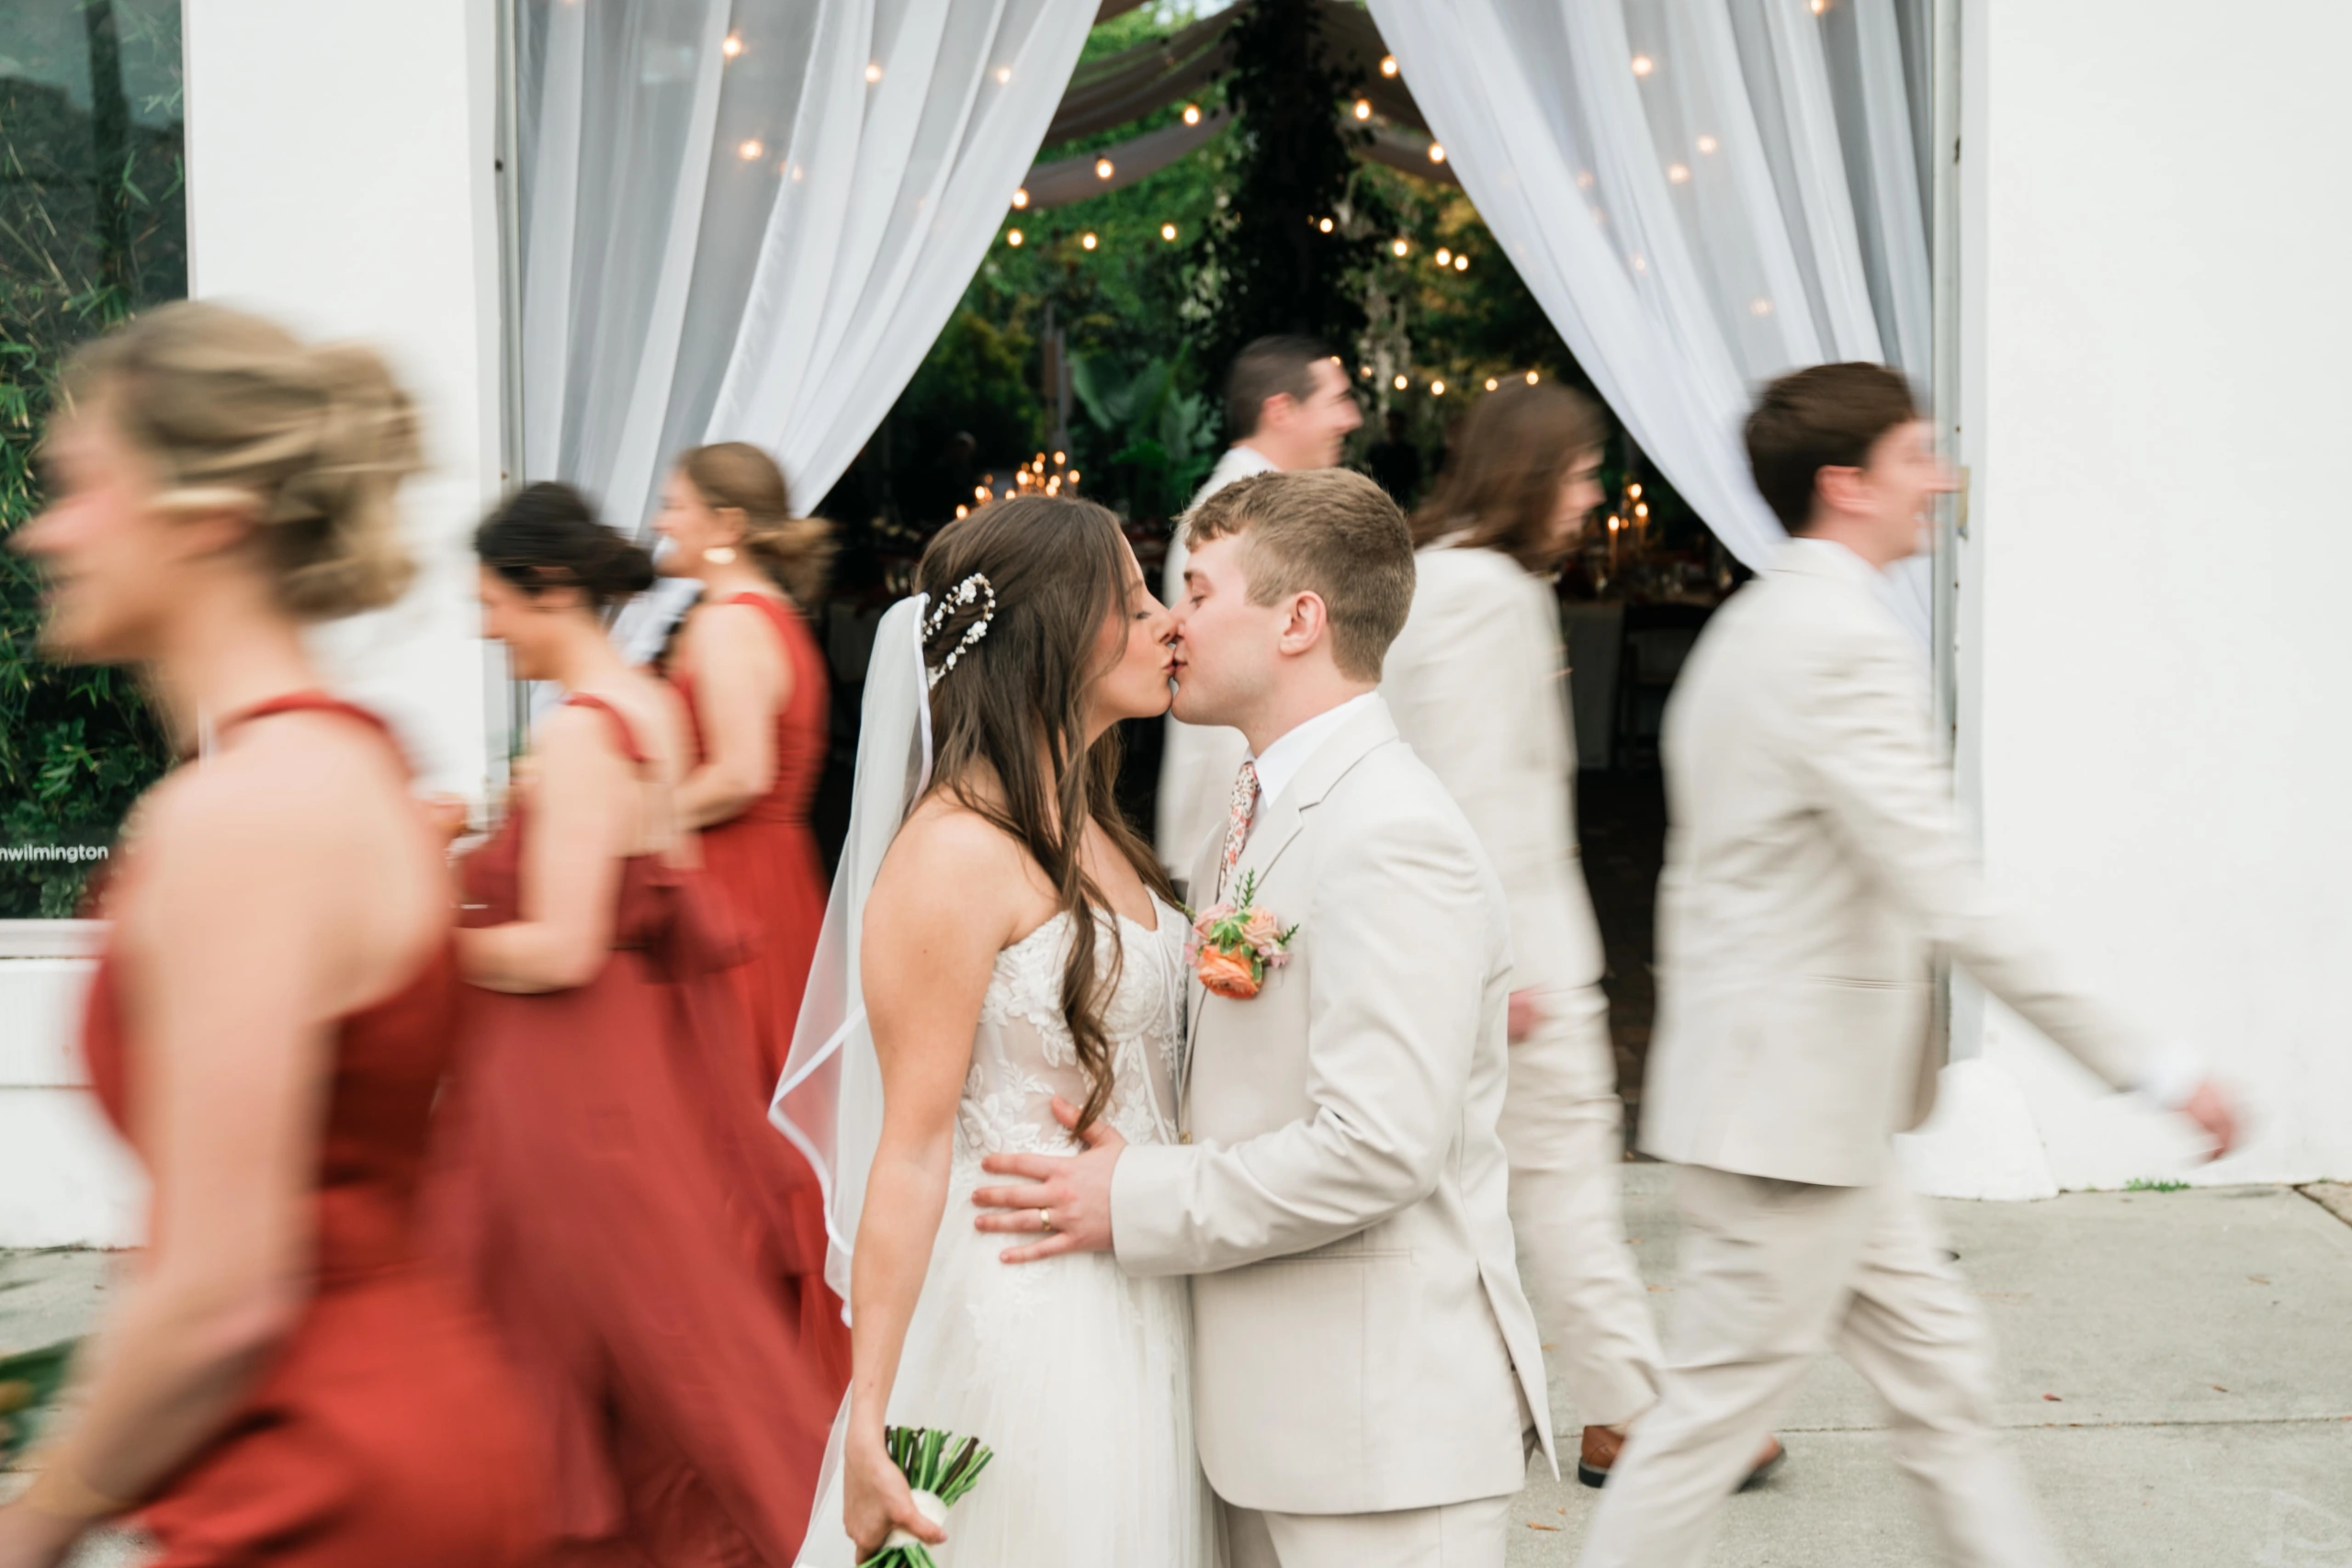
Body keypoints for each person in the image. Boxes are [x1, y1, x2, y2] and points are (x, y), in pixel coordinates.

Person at [1577, 363, 2242, 1568]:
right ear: (1846, 483)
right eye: (1916, 455)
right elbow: (1951, 898)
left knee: (1942, 1378)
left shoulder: (1753, 627)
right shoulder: (1839, 644)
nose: (1940, 477)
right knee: (1703, 1430)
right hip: (1792, 1121)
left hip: (1800, 1106)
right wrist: (2151, 1065)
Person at [0, 301, 546, 1568]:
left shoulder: (239, 814)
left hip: (324, 1474)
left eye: (82, 488)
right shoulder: (347, 765)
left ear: (209, 513)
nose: (42, 532)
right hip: (385, 1425)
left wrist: (34, 1520)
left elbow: (216, 1290)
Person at [975, 469, 1552, 1568]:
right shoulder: (1262, 804)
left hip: (1376, 1440)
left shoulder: (1390, 833)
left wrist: (1134, 1194)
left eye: (1194, 589)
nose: (1170, 623)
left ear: (1299, 620)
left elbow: (1378, 1145)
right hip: (1272, 1414)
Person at [787, 497, 1212, 1566]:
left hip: (1148, 1283)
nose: (1169, 622)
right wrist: (869, 1414)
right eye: (1131, 601)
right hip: (1028, 1326)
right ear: (1050, 635)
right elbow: (912, 1146)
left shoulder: (1096, 822)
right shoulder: (954, 855)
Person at [1381, 380, 1781, 1492]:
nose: (1591, 495)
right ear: (1528, 475)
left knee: (1525, 1188)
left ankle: (1612, 1405)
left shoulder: (1463, 579)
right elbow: (1465, 790)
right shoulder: (1476, 593)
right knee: (1561, 1185)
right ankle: (1623, 1414)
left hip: (1514, 950)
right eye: (1577, 472)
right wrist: (1494, 962)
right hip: (1519, 959)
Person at [432, 482, 835, 1566]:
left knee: (617, 1339)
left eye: (490, 601)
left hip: (565, 1085)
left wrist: (424, 938)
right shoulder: (648, 706)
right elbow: (661, 910)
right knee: (660, 1339)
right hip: (625, 1063)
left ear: (549, 588)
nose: (483, 626)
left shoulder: (578, 738)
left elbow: (561, 947)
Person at [653, 443, 851, 1390]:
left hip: (737, 889)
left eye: (675, 504)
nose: (660, 521)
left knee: (734, 1119)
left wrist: (629, 816)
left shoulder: (729, 624)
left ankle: (745, 1361)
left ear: (727, 525)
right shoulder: (769, 616)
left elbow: (736, 772)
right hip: (775, 883)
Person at [1155, 335, 1362, 889]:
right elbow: (1237, 677)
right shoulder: (1238, 515)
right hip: (1239, 838)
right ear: (1281, 410)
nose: (1351, 417)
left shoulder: (1267, 505)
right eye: (1336, 401)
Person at [1363, 408, 1423, 505]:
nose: (1394, 424)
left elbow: (1416, 478)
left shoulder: (1409, 451)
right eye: (1391, 420)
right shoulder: (1376, 448)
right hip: (1379, 497)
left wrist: (1422, 498)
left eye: (1397, 421)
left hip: (1402, 500)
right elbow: (1368, 472)